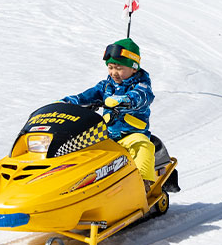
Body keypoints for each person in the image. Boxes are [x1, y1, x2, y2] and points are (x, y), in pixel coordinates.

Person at [60, 38, 156, 191]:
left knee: (143, 147)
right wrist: (65, 104)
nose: (113, 73)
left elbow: (142, 96)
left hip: (132, 134)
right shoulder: (106, 85)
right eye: (110, 67)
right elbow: (85, 97)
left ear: (134, 68)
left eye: (119, 68)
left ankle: (141, 184)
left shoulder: (141, 85)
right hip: (106, 135)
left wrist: (124, 99)